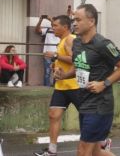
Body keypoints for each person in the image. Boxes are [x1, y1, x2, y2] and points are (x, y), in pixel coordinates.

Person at [54, 4, 120, 156]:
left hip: (100, 105)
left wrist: (104, 83)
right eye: (73, 19)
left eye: (78, 20)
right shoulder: (76, 43)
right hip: (84, 102)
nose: (74, 23)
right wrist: (64, 75)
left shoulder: (103, 44)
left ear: (91, 21)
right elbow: (79, 67)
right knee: (95, 152)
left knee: (83, 151)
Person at [33, 15, 80, 156]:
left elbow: (75, 60)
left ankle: (102, 142)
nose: (53, 28)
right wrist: (56, 67)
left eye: (55, 26)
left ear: (65, 27)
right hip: (61, 86)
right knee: (54, 115)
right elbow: (63, 61)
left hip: (75, 86)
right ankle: (52, 150)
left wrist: (55, 56)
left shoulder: (70, 39)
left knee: (87, 116)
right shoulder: (61, 42)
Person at [36, 15, 60, 86]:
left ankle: (56, 87)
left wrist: (50, 19)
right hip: (47, 54)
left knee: (56, 72)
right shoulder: (47, 29)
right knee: (47, 72)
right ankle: (46, 88)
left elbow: (58, 25)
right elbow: (37, 30)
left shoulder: (59, 30)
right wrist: (40, 20)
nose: (52, 24)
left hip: (57, 54)